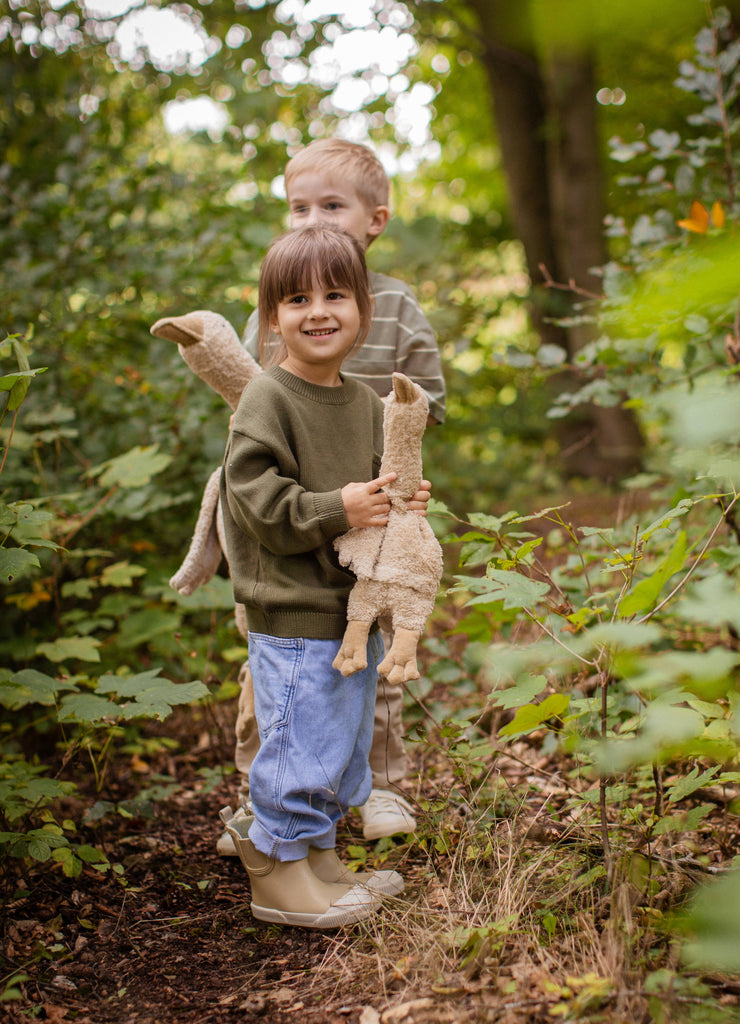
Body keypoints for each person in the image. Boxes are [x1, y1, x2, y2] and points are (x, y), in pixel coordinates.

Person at [221, 139, 446, 851]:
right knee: (275, 666)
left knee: (369, 653)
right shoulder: (285, 307)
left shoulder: (394, 307)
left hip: (371, 510)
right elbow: (266, 403)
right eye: (298, 207)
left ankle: (377, 786)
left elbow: (425, 403)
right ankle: (264, 799)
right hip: (297, 519)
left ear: (375, 220)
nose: (311, 218)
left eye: (331, 205)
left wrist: (398, 480)